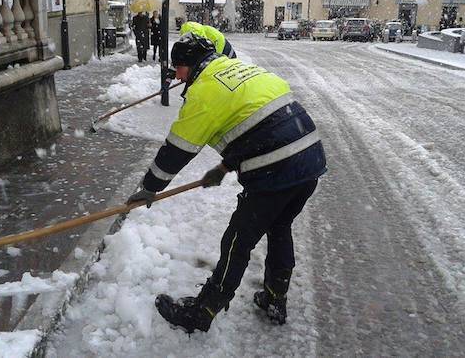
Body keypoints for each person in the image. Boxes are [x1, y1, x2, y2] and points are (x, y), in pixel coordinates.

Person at [126, 32, 327, 334]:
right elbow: (258, 123)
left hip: (277, 171)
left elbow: (177, 150)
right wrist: (224, 166)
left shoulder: (204, 92)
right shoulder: (239, 69)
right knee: (279, 227)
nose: (175, 74)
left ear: (191, 65)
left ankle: (202, 311)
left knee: (237, 241)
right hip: (309, 160)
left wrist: (150, 187)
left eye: (177, 67)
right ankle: (274, 298)